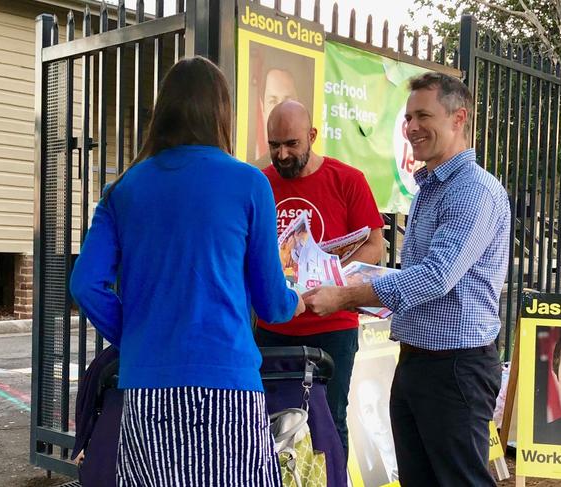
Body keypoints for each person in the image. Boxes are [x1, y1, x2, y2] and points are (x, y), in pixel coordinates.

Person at [70, 56, 304, 486]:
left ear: (163, 110)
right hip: (230, 386)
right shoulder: (250, 184)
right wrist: (298, 299)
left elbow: (85, 284)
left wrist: (136, 333)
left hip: (146, 387)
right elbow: (272, 303)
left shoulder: (124, 188)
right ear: (222, 113)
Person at [304, 72, 511, 486]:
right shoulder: (431, 188)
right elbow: (420, 275)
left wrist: (346, 295)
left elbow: (435, 277)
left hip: (455, 369)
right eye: (407, 118)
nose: (412, 127)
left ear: (458, 118)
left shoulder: (473, 191)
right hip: (419, 361)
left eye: (423, 115)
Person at [254, 100, 385, 462]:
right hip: (274, 324)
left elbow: (375, 244)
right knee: (266, 422)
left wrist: (333, 279)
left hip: (333, 325)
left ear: (312, 136)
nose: (281, 154)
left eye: (291, 144)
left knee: (329, 421)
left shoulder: (347, 180)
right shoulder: (260, 184)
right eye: (274, 144)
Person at [349, 361, 398, 485]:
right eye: (369, 410)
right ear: (362, 420)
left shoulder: (422, 461)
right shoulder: (371, 479)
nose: (379, 418)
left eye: (382, 404)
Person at [255, 67, 300, 168]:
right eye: (273, 101)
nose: (281, 109)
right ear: (263, 106)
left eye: (287, 100)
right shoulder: (256, 172)